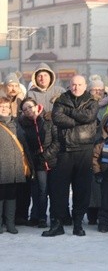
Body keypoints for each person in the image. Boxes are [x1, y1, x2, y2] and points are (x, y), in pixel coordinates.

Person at [43, 75, 99, 237]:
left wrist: (70, 113)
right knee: (58, 190)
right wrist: (77, 120)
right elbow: (57, 118)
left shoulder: (92, 101)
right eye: (73, 84)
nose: (76, 87)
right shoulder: (61, 99)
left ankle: (78, 223)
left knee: (82, 189)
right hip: (64, 150)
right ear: (69, 85)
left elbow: (89, 117)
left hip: (84, 149)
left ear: (85, 85)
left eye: (79, 84)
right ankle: (58, 224)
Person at [18, 98, 59, 228]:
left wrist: (46, 155)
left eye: (30, 107)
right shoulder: (23, 125)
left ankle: (55, 217)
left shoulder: (48, 120)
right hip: (37, 163)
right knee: (39, 191)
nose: (28, 111)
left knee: (54, 191)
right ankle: (39, 217)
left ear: (37, 106)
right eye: (25, 109)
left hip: (52, 160)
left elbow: (57, 140)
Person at [0, 96, 32, 234]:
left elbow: (24, 145)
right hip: (1, 167)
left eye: (6, 107)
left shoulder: (16, 124)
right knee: (1, 196)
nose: (4, 109)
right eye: (1, 106)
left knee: (12, 196)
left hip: (14, 166)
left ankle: (10, 223)